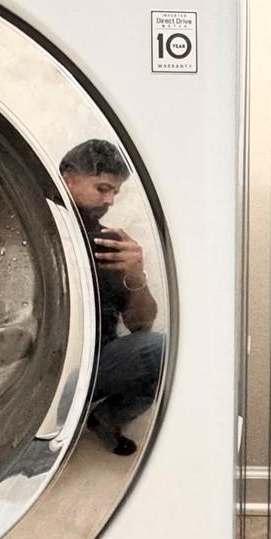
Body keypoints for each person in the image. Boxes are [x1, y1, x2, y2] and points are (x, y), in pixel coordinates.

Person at [60, 139, 163, 455]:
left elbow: (140, 326)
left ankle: (105, 418)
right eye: (102, 188)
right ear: (68, 178)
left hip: (95, 362)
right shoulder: (37, 224)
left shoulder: (110, 244)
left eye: (115, 192)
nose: (110, 200)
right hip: (39, 365)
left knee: (163, 350)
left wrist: (135, 275)